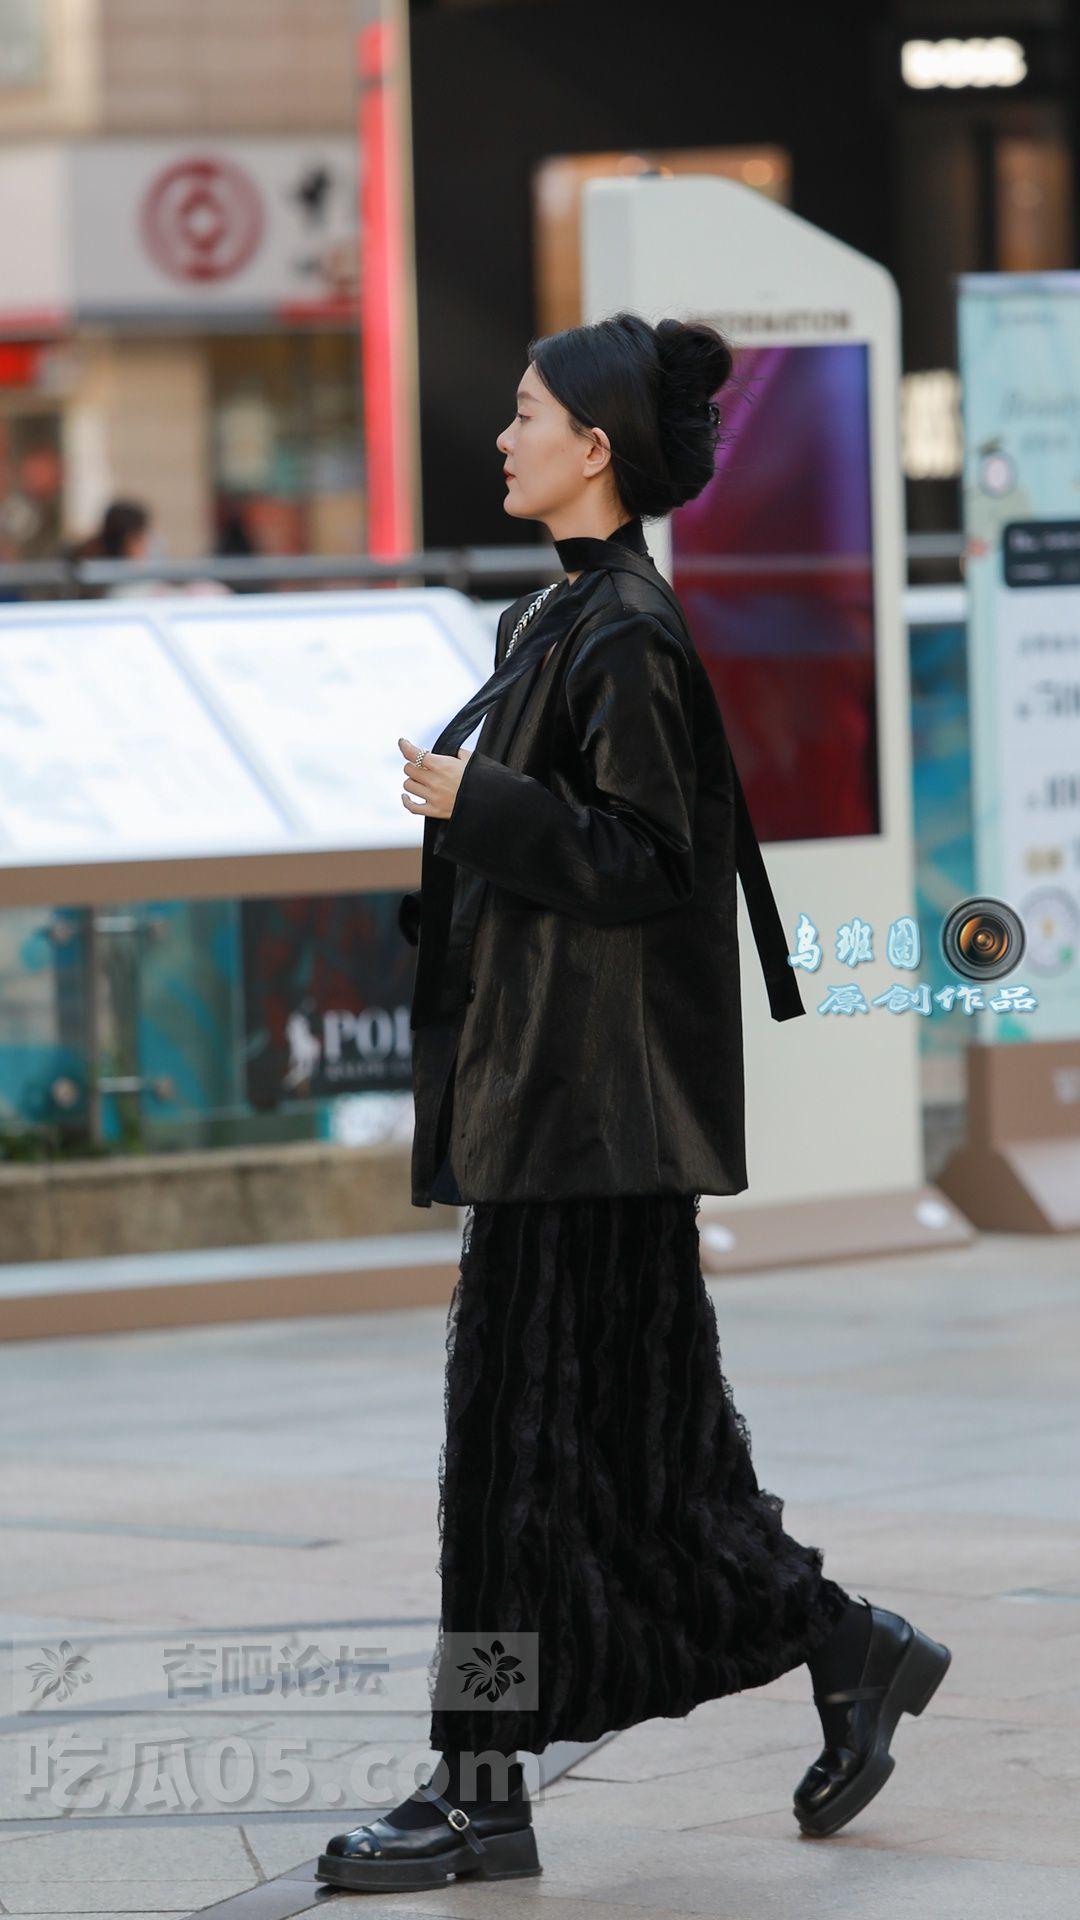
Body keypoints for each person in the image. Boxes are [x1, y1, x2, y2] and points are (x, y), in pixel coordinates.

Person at [317, 313, 951, 1895]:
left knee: (517, 1468)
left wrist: (483, 804)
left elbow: (654, 861)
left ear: (595, 447)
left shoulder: (624, 632)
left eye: (528, 413)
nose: (505, 436)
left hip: (586, 1125)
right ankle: (842, 1645)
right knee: (629, 1468)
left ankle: (483, 1792)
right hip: (562, 1114)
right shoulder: (565, 615)